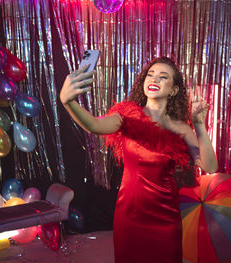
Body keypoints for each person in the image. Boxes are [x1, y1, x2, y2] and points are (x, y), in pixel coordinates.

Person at [60, 56, 218, 263]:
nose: (154, 80)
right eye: (150, 75)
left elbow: (210, 166)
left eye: (163, 77)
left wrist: (198, 125)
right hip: (131, 214)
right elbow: (94, 126)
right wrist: (68, 101)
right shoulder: (126, 116)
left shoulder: (181, 128)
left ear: (174, 90)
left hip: (166, 215)